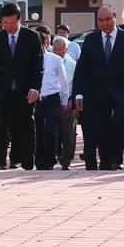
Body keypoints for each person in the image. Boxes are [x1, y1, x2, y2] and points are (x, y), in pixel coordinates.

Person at [72, 5, 124, 170]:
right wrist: (78, 94)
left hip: (121, 91)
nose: (104, 24)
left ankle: (117, 160)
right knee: (101, 127)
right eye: (101, 20)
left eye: (108, 19)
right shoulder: (91, 39)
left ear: (115, 18)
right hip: (97, 92)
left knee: (119, 124)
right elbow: (82, 68)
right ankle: (106, 161)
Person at [0, 2, 44, 170]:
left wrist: (35, 88)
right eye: (5, 23)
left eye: (12, 23)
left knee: (25, 125)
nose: (9, 27)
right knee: (1, 126)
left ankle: (27, 161)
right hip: (4, 90)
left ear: (20, 20)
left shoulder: (32, 37)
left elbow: (38, 66)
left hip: (25, 90)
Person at [33, 31, 68, 170]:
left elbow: (63, 82)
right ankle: (39, 160)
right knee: (38, 130)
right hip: (36, 98)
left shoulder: (55, 59)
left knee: (51, 130)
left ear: (46, 44)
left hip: (52, 97)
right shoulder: (30, 59)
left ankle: (50, 159)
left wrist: (64, 101)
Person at [52, 35, 78, 170]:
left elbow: (76, 84)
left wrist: (72, 101)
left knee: (68, 133)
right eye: (55, 50)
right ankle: (53, 156)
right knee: (52, 131)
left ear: (66, 49)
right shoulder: (48, 62)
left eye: (60, 50)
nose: (57, 52)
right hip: (53, 100)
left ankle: (66, 160)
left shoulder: (73, 65)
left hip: (68, 101)